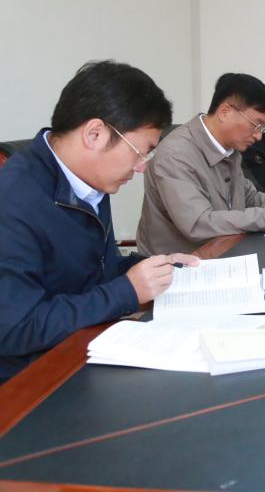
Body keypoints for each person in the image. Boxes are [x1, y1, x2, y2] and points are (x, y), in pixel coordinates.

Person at [0, 61, 199, 382]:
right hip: (33, 383)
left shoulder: (87, 179)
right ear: (95, 134)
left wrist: (154, 268)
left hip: (87, 347)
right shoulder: (12, 199)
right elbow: (15, 329)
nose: (141, 167)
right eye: (140, 152)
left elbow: (92, 271)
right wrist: (127, 291)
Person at [137, 73, 265, 255]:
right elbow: (198, 224)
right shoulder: (176, 154)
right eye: (256, 125)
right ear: (225, 112)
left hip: (224, 251)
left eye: (263, 128)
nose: (259, 136)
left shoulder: (229, 148)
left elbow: (249, 198)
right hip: (178, 264)